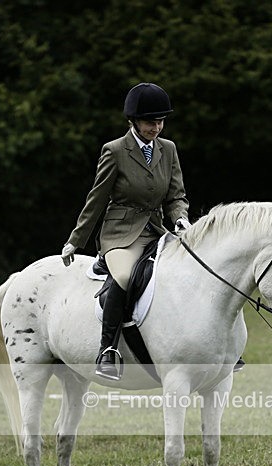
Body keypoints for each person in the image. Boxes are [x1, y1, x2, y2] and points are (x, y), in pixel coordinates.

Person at [61, 82, 190, 380]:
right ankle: (108, 350)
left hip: (158, 230)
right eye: (149, 122)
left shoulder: (168, 150)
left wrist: (180, 218)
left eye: (160, 121)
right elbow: (96, 199)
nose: (156, 127)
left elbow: (176, 195)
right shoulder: (115, 151)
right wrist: (75, 241)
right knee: (123, 277)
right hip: (121, 232)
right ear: (133, 121)